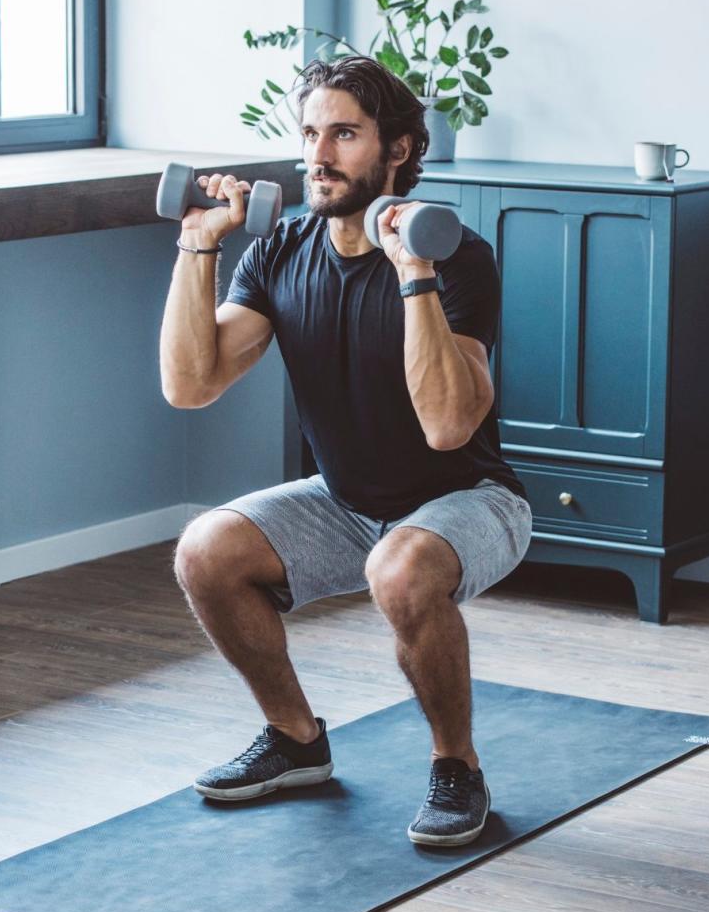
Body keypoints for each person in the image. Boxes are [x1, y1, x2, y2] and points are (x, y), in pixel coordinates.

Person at [159, 54, 532, 846]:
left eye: (344, 135)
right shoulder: (280, 253)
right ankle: (295, 739)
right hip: (346, 500)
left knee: (398, 568)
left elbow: (447, 426)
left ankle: (456, 766)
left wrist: (414, 274)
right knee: (206, 550)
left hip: (472, 500)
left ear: (396, 150)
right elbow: (191, 384)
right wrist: (199, 248)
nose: (318, 156)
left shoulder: (455, 256)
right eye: (309, 135)